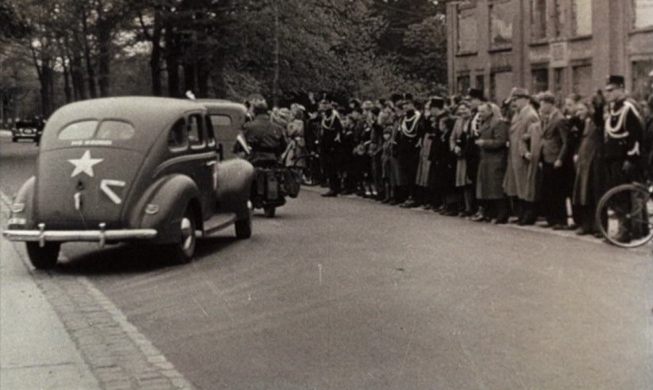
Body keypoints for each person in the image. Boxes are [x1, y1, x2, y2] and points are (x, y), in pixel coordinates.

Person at [603, 75, 645, 242]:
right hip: (613, 158)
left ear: (621, 88)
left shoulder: (628, 107)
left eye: (611, 90)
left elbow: (636, 135)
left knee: (624, 196)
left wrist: (630, 158)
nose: (608, 93)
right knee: (616, 195)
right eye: (607, 90)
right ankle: (625, 229)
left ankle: (626, 231)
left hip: (624, 159)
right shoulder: (614, 108)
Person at [504, 88, 540, 224]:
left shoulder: (530, 114)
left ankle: (529, 215)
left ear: (526, 99)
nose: (514, 102)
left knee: (526, 185)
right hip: (515, 154)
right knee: (518, 185)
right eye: (513, 100)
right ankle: (521, 213)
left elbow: (534, 137)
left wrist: (527, 152)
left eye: (517, 99)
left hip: (524, 156)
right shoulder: (517, 114)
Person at [536, 91, 570, 229]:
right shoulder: (547, 117)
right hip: (546, 157)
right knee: (548, 189)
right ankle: (551, 219)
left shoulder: (559, 119)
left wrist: (560, 158)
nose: (541, 107)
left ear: (550, 103)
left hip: (555, 158)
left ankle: (560, 220)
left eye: (543, 104)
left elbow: (565, 142)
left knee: (557, 191)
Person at [572, 97, 606, 235]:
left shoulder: (597, 122)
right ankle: (586, 224)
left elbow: (599, 121)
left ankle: (599, 227)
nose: (578, 112)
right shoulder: (584, 123)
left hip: (595, 162)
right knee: (583, 194)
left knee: (596, 193)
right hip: (584, 162)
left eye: (581, 109)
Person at [474, 102, 509, 223]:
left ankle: (501, 214)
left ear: (490, 111)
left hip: (496, 159)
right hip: (486, 159)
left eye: (483, 112)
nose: (480, 114)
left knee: (496, 188)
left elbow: (501, 141)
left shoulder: (499, 123)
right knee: (487, 187)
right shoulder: (484, 123)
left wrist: (485, 143)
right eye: (479, 112)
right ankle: (490, 212)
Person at [240, 96, 287, 165]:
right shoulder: (277, 128)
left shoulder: (248, 126)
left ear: (255, 112)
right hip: (272, 162)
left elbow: (239, 146)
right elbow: (283, 146)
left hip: (254, 161)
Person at [396, 96, 424, 208]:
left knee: (413, 173)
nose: (405, 106)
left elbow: (420, 132)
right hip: (404, 148)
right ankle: (407, 195)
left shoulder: (418, 117)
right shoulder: (403, 118)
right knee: (406, 173)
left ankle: (414, 197)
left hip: (413, 148)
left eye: (408, 103)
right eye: (404, 104)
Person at [450, 100, 475, 216]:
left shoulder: (473, 121)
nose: (463, 112)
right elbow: (452, 137)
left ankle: (470, 208)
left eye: (465, 109)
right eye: (461, 110)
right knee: (461, 182)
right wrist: (454, 147)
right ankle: (463, 207)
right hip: (459, 155)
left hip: (469, 155)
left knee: (468, 182)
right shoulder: (458, 122)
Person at [319, 100, 345, 197]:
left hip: (334, 145)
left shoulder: (334, 117)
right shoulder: (324, 117)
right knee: (328, 167)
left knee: (334, 167)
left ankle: (335, 188)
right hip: (326, 144)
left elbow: (338, 129)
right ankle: (332, 187)